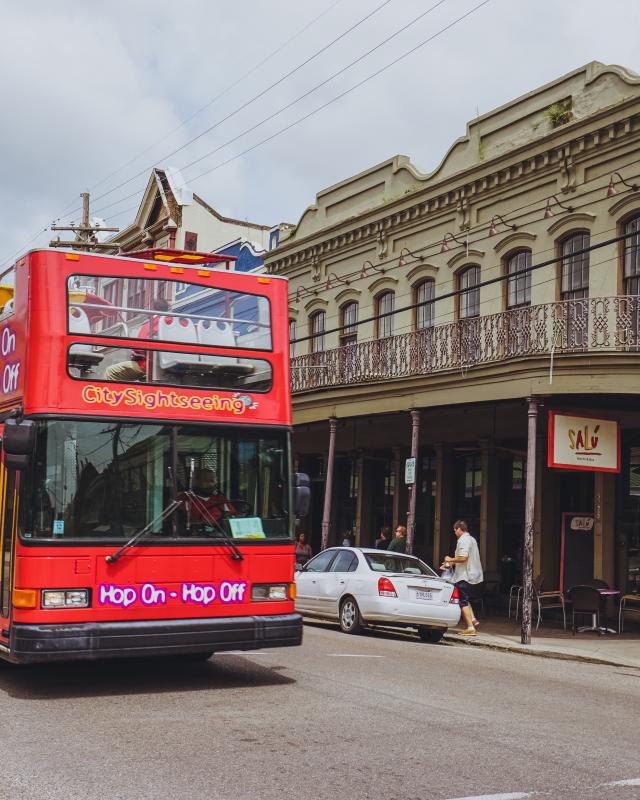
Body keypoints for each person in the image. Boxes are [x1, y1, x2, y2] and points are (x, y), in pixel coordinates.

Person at [105, 298, 171, 382]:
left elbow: (138, 349)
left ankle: (118, 394)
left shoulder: (150, 324)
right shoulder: (174, 323)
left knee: (110, 371)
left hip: (147, 366)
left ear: (152, 309)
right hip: (168, 368)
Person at [442, 520, 484, 636]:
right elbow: (463, 558)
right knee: (464, 597)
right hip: (472, 575)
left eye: (455, 530)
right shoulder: (472, 539)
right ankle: (473, 619)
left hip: (464, 576)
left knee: (462, 601)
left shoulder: (463, 540)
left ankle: (470, 627)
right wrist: (450, 564)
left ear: (459, 529)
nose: (454, 533)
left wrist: (450, 559)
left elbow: (463, 557)